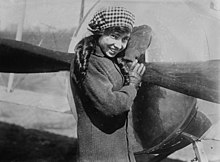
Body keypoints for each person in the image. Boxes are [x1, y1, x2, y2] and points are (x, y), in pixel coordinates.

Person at [70, 6, 146, 162]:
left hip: (117, 150)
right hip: (99, 153)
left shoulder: (109, 59)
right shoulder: (89, 62)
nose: (118, 45)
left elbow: (146, 30)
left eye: (125, 39)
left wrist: (131, 55)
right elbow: (111, 106)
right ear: (99, 32)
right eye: (113, 36)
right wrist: (132, 84)